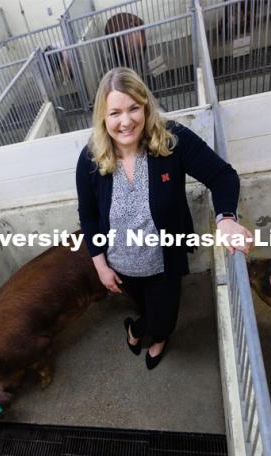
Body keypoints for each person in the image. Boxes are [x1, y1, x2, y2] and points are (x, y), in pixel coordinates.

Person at [76, 67, 252, 370]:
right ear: (103, 117)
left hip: (163, 262)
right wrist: (101, 266)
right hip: (120, 266)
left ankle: (144, 333)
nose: (126, 120)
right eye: (115, 112)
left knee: (163, 318)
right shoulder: (91, 157)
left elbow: (222, 176)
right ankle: (147, 327)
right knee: (145, 306)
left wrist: (226, 218)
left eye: (134, 108)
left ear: (146, 105)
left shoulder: (172, 140)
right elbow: (88, 215)